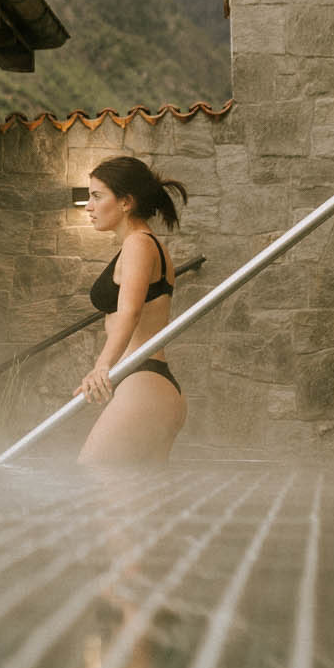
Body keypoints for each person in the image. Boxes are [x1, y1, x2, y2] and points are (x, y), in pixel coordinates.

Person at [72, 156, 188, 464]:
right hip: (149, 385)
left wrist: (102, 366)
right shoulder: (141, 244)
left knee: (92, 475)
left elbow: (130, 312)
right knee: (136, 491)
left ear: (126, 202)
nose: (89, 206)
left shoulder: (139, 243)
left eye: (97, 196)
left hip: (144, 383)